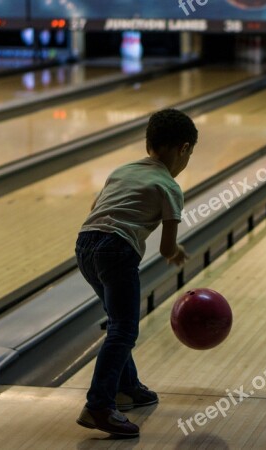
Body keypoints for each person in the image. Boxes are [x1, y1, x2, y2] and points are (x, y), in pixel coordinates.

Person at [74, 109, 195, 437]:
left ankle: (127, 386)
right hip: (117, 250)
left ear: (148, 145)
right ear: (183, 149)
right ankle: (99, 404)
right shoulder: (170, 186)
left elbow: (95, 209)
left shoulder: (122, 170)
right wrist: (178, 253)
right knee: (124, 329)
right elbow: (167, 249)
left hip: (84, 244)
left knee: (117, 322)